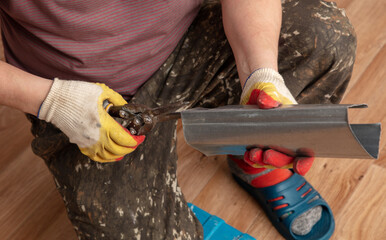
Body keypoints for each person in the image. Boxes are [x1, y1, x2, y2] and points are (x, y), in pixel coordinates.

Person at [0, 0, 356, 239]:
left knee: (325, 39)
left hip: (191, 34)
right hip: (82, 96)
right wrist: (54, 102)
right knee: (123, 228)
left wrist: (260, 74)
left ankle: (254, 158)